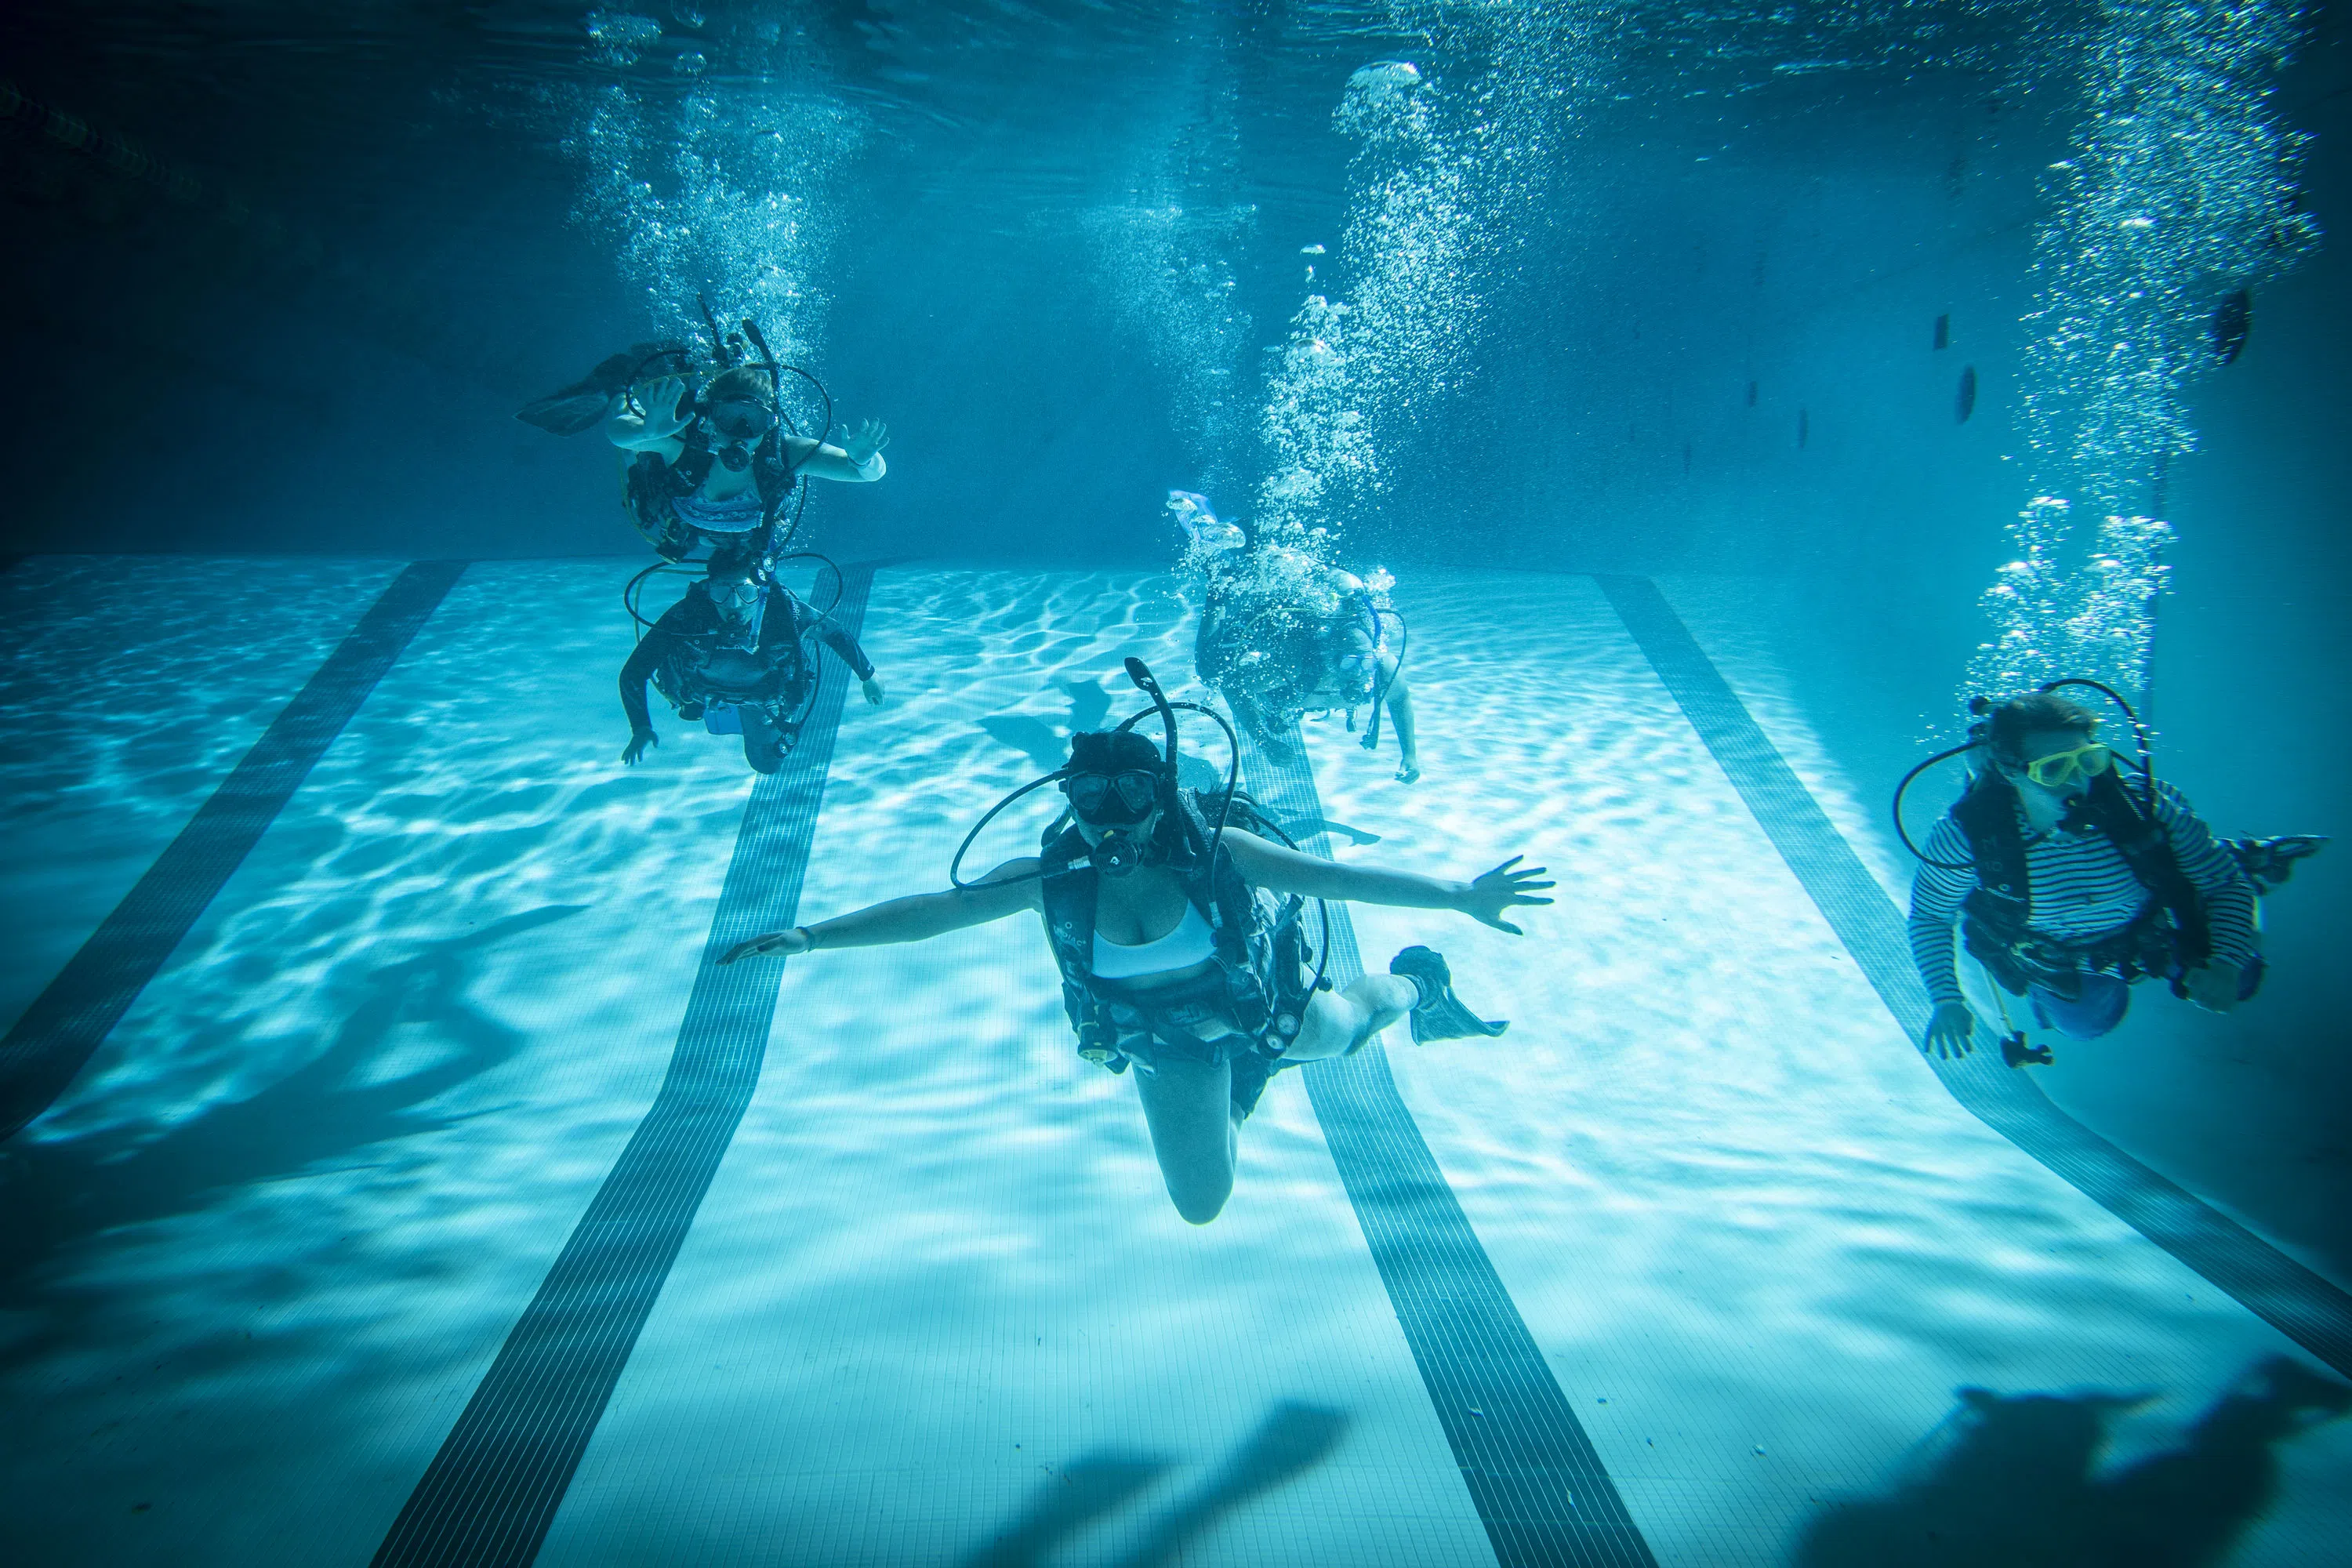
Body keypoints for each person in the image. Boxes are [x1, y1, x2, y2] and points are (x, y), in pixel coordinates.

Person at [719, 727, 1550, 1222]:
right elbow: (936, 911)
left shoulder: (1218, 849)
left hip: (1259, 1010)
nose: (1112, 816)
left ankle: (1419, 984)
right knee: (1201, 1203)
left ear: (1163, 793)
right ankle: (1245, 1081)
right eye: (1092, 795)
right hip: (1167, 1044)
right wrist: (809, 935)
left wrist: (1459, 894)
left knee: (1346, 1032)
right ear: (1069, 797)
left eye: (1132, 794)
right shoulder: (1051, 878)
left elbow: (1331, 879)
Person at [1909, 691, 2264, 1054]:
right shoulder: (1967, 835)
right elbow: (1930, 915)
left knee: (2243, 975)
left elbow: (2224, 882)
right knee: (2086, 1026)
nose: (2078, 781)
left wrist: (2226, 965)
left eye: (2088, 761)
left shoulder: (2145, 806)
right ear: (2009, 771)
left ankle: (2228, 854)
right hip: (2060, 955)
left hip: (2151, 927)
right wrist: (1947, 999)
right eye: (2053, 768)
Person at [1174, 493, 1421, 782]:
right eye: (1349, 663)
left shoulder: (1381, 666)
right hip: (1270, 617)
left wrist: (1410, 755)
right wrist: (1265, 743)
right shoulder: (1293, 663)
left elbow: (1400, 698)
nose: (1358, 674)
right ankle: (1218, 583)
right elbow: (1233, 686)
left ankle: (1253, 542)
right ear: (1329, 656)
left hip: (1300, 617)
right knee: (1210, 672)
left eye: (1365, 663)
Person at [604, 364, 887, 575]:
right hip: (687, 527)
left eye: (754, 420)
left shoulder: (787, 453)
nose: (742, 432)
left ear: (770, 424)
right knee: (639, 458)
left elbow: (869, 474)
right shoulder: (684, 446)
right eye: (729, 418)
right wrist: (645, 430)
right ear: (710, 419)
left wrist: (865, 459)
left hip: (750, 538)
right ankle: (616, 387)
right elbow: (617, 434)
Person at [620, 564, 883, 774]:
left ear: (762, 593)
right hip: (700, 689)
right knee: (700, 707)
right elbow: (634, 672)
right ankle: (698, 706)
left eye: (746, 593)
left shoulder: (784, 614)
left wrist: (868, 674)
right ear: (708, 590)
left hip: (764, 697)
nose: (733, 605)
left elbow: (834, 632)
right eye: (721, 593)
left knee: (766, 764)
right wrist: (640, 727)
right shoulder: (688, 615)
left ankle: (714, 711)